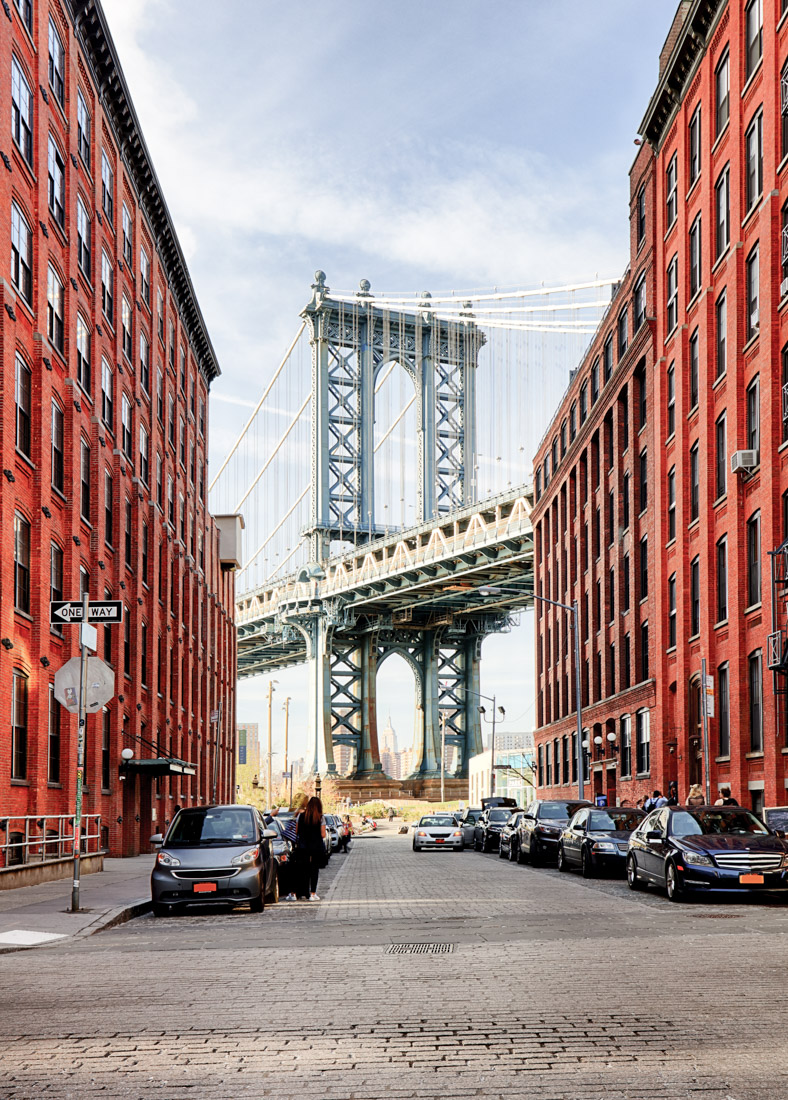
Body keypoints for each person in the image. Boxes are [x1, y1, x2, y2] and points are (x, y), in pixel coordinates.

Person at [293, 796, 327, 902]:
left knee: (304, 870)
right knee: (314, 870)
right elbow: (323, 834)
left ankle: (304, 892)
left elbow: (296, 831)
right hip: (316, 847)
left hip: (303, 846)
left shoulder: (301, 816)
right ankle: (313, 893)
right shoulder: (321, 817)